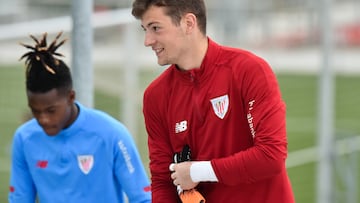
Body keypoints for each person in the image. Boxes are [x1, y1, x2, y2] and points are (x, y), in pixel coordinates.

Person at [131, 0, 295, 202]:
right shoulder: (155, 96)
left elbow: (271, 156)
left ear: (188, 23)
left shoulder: (249, 70)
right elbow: (163, 180)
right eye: (145, 29)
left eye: (155, 28)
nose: (147, 40)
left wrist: (197, 171)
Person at [8, 32, 151, 203]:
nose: (43, 119)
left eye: (51, 110)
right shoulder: (24, 138)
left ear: (70, 97)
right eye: (36, 111)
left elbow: (143, 198)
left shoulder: (111, 133)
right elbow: (20, 199)